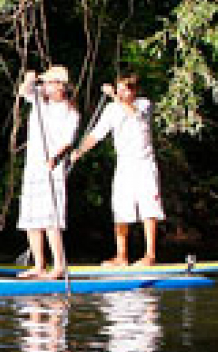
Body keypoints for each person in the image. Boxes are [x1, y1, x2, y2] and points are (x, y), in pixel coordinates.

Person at [70, 73, 164, 266]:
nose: (121, 93)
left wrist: (114, 95)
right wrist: (80, 150)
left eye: (125, 89)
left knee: (148, 208)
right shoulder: (111, 109)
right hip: (124, 165)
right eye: (119, 88)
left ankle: (150, 255)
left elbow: (132, 113)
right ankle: (121, 256)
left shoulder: (143, 105)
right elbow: (97, 134)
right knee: (120, 209)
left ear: (134, 91)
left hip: (144, 164)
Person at [17, 66, 79, 279]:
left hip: (52, 168)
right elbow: (24, 91)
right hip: (33, 166)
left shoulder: (71, 112)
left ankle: (59, 266)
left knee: (51, 218)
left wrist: (54, 157)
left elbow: (67, 141)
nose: (44, 86)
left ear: (60, 86)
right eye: (44, 83)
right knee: (31, 218)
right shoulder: (39, 103)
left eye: (49, 83)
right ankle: (38, 265)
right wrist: (29, 78)